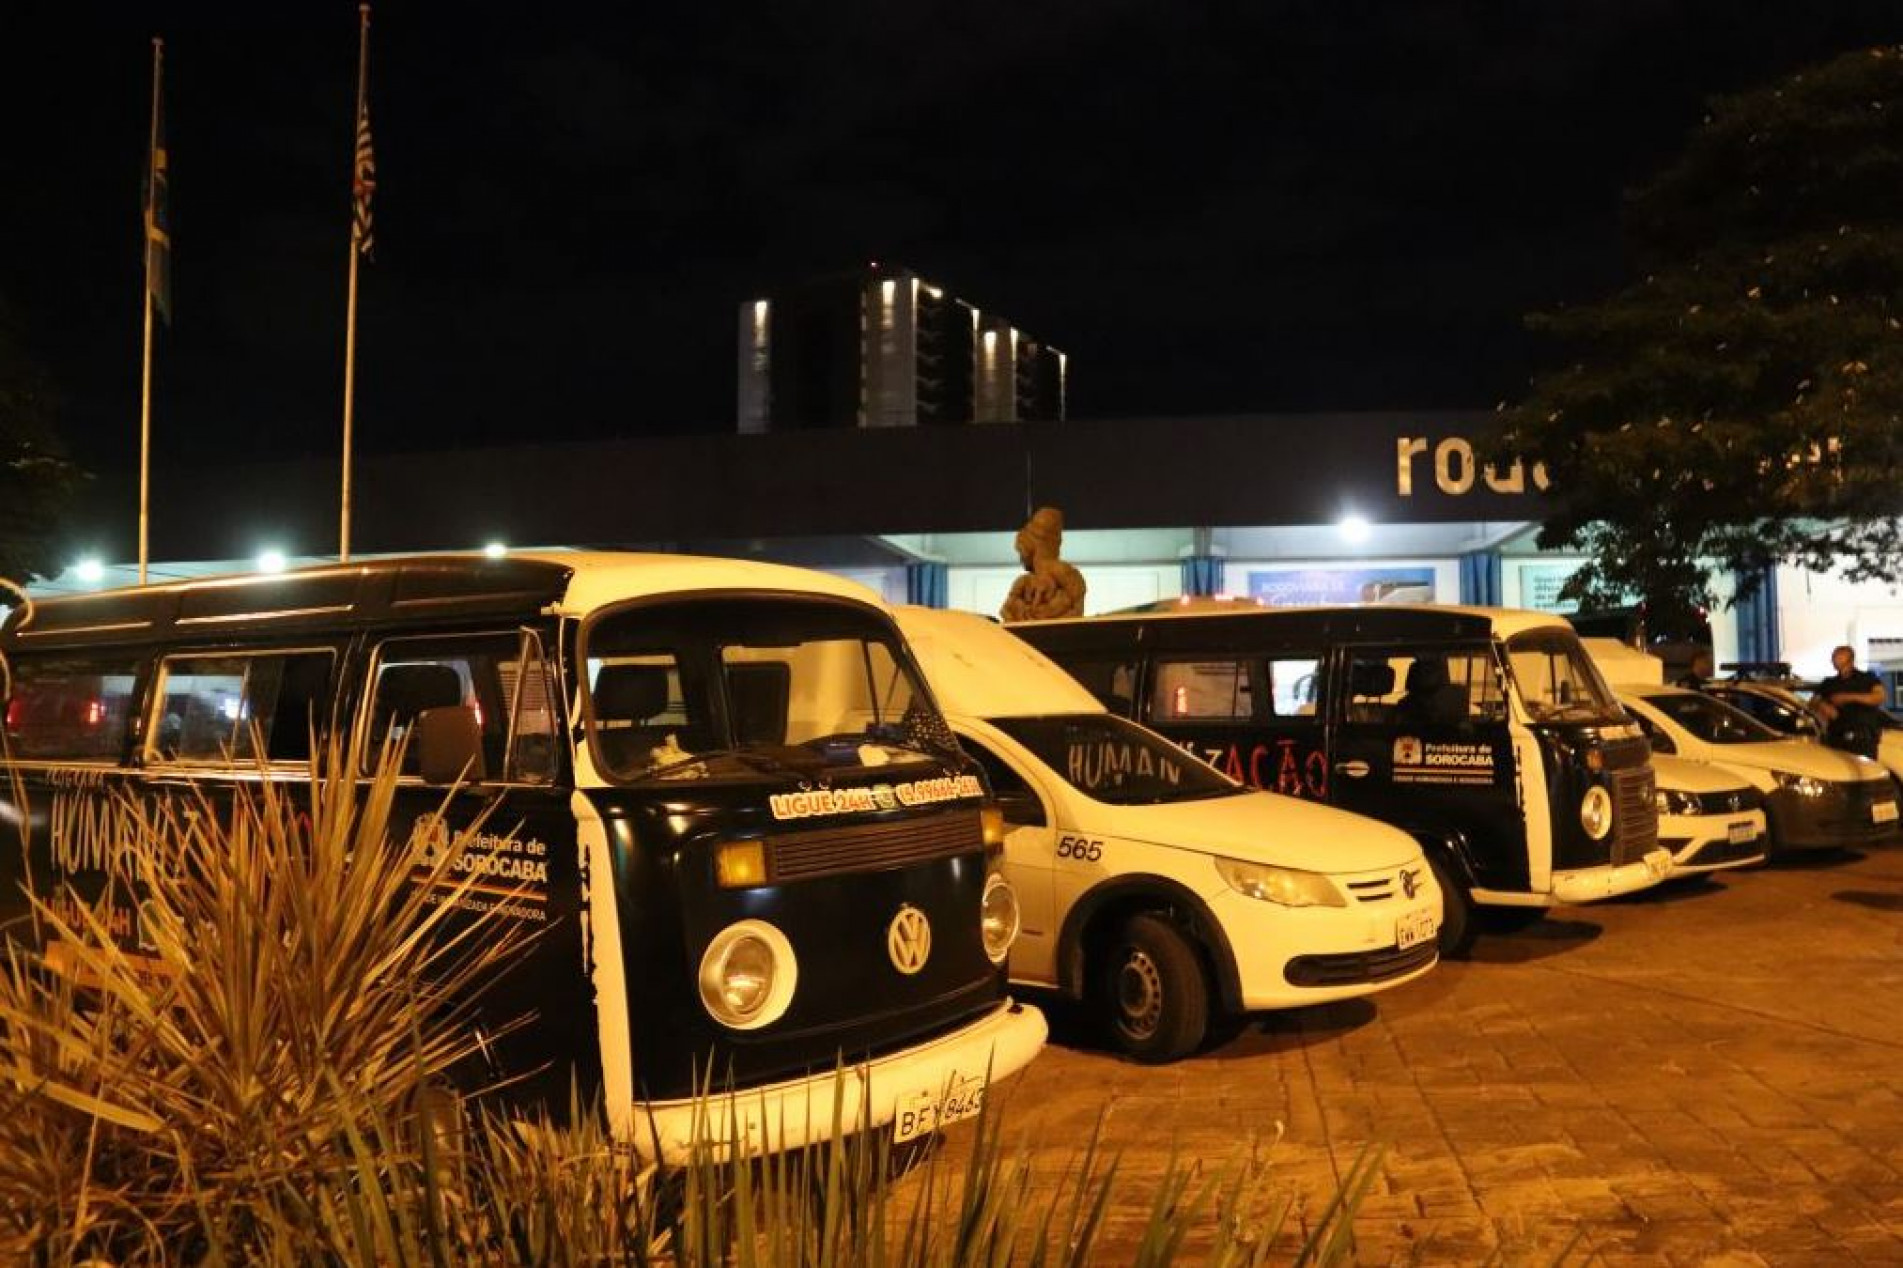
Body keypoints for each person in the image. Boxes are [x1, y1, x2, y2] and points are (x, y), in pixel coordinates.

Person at [999, 507, 1087, 622]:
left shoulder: (1063, 572)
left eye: (1020, 552)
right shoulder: (1023, 581)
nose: (1021, 559)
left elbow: (1075, 611)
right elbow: (1006, 612)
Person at [1812, 645, 1887, 759]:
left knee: (1866, 773)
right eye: (1833, 657)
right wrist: (1823, 706)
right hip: (1836, 739)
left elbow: (1879, 697)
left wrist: (1848, 697)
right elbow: (1812, 703)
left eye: (1837, 656)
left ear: (1849, 659)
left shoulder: (1867, 678)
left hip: (1863, 740)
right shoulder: (1828, 683)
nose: (1833, 659)